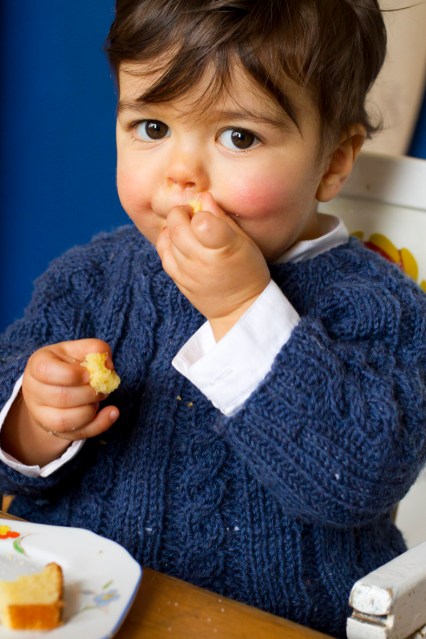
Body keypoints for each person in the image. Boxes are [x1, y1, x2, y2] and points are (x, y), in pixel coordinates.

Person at [1, 1, 425, 636]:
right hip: (84, 613)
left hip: (279, 622)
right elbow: (9, 453)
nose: (181, 174)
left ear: (335, 161)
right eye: (151, 127)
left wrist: (241, 308)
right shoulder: (89, 279)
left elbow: (356, 481)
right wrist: (34, 421)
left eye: (239, 137)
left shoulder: (378, 305)